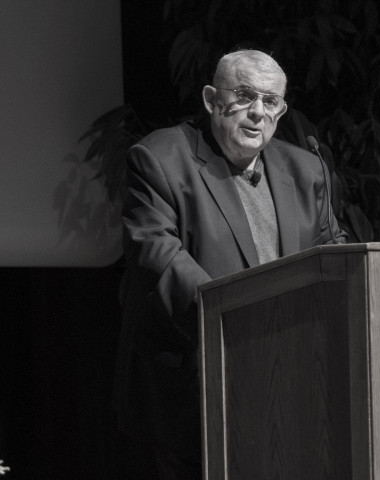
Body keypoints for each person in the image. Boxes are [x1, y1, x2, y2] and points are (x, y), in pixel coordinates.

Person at [115, 49, 347, 479]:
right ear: (210, 98)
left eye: (271, 101)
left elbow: (332, 255)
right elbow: (159, 259)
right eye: (244, 96)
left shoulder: (307, 169)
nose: (258, 112)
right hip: (195, 389)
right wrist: (238, 326)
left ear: (282, 110)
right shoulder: (159, 158)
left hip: (290, 384)